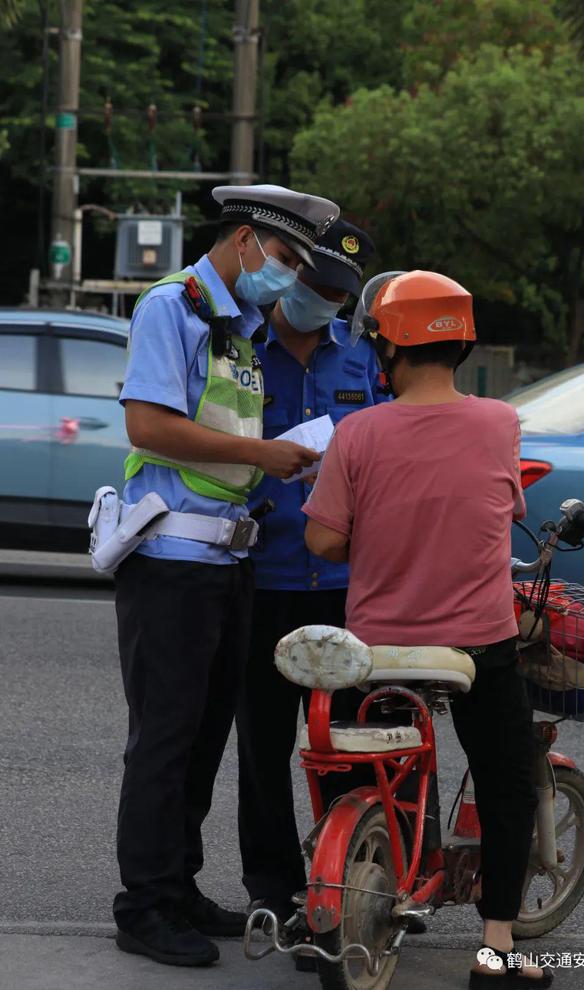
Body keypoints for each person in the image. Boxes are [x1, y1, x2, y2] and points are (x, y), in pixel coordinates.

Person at [302, 271, 552, 988]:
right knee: (505, 785)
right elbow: (497, 514)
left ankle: (366, 876)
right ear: (461, 342)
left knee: (365, 767)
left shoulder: (357, 433)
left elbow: (322, 542)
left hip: (375, 649)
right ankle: (496, 949)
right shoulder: (500, 424)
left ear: (389, 350)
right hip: (476, 646)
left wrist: (374, 540)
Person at [112, 184, 339, 968]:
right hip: (171, 561)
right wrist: (262, 454)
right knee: (165, 741)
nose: (284, 279)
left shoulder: (237, 329)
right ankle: (142, 905)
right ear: (244, 240)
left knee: (204, 740)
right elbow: (147, 423)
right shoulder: (168, 308)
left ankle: (178, 886)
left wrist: (290, 462)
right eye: (280, 258)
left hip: (229, 561)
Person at [236, 220, 386, 927]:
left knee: (354, 745)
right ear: (286, 271)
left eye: (335, 293)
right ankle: (273, 889)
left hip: (348, 586)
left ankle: (354, 880)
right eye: (313, 285)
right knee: (264, 745)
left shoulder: (359, 359)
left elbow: (388, 447)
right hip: (263, 578)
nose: (321, 300)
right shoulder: (240, 353)